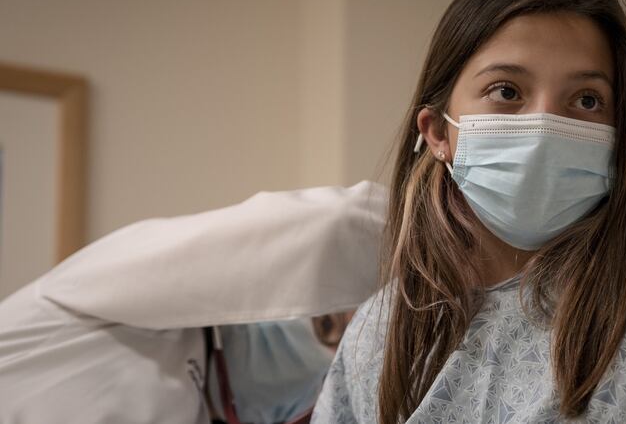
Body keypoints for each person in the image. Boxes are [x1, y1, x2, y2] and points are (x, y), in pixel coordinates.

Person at [310, 0, 626, 423]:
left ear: (619, 128)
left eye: (586, 100)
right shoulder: (382, 332)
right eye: (506, 91)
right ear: (437, 130)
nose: (545, 126)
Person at [0, 182, 385, 424]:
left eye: (328, 327)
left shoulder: (79, 294)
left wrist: (431, 234)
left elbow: (328, 229)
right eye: (332, 330)